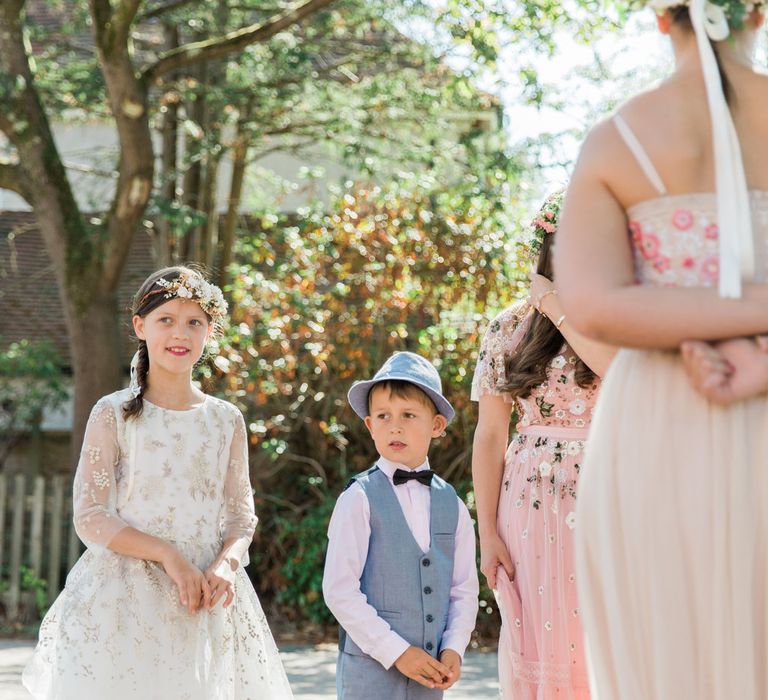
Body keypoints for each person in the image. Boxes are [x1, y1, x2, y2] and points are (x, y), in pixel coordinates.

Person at [553, 0, 768, 695]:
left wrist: (703, 320)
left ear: (660, 16)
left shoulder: (617, 139)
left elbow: (592, 302)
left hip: (658, 424)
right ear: (757, 14)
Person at [23, 267, 293, 699]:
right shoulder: (113, 414)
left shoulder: (226, 420)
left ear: (210, 331)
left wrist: (225, 564)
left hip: (206, 599)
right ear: (140, 326)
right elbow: (91, 516)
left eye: (194, 322)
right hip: (126, 600)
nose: (179, 333)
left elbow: (242, 518)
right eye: (166, 319)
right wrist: (167, 555)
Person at [471, 192, 614, 700]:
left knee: (602, 629)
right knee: (537, 634)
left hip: (605, 493)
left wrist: (554, 305)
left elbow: (615, 372)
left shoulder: (613, 318)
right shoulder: (506, 326)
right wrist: (486, 531)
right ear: (549, 241)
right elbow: (490, 436)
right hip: (529, 499)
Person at [323, 351, 479, 700]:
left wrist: (454, 648)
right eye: (383, 416)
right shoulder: (358, 498)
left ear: (436, 425)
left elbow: (463, 589)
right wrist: (396, 652)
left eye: (409, 415)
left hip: (430, 678)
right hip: (369, 676)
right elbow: (339, 590)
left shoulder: (452, 504)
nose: (395, 426)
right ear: (369, 425)